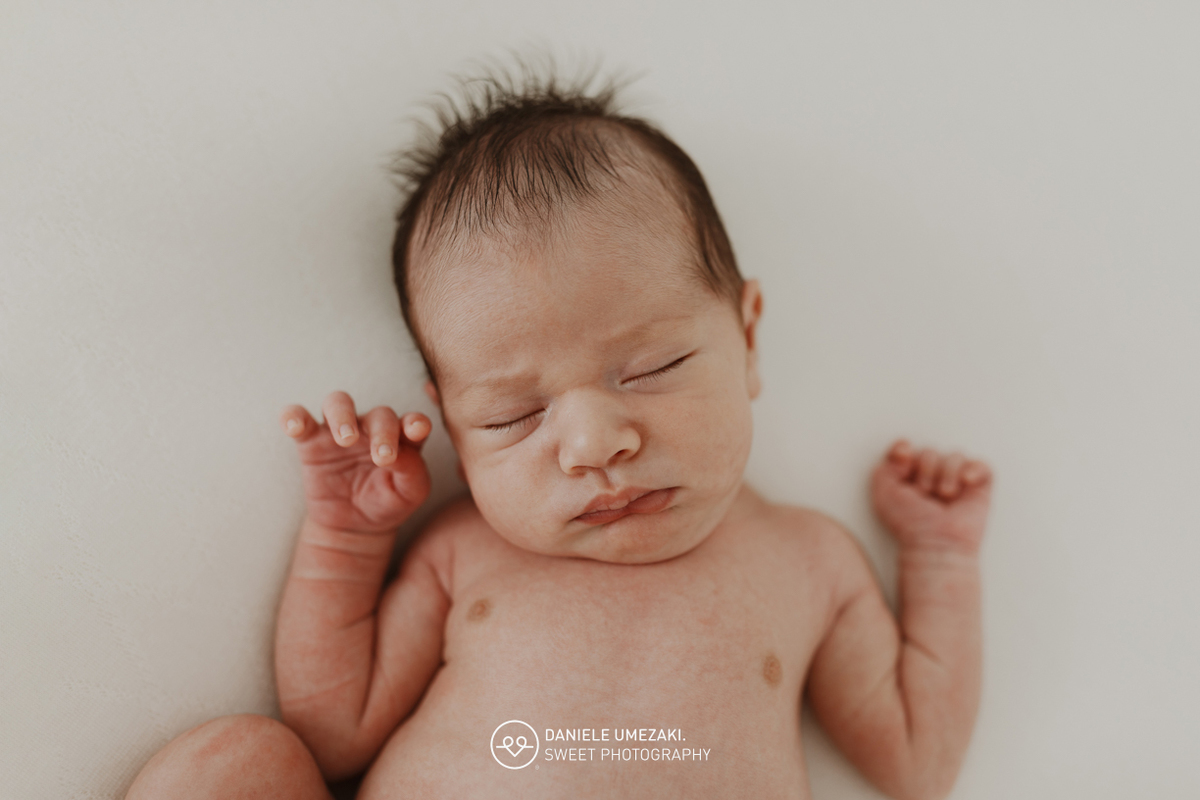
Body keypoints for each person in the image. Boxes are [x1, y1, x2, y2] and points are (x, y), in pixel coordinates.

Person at [126, 63, 993, 800]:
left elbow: (916, 761)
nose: (591, 447)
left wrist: (941, 561)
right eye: (512, 416)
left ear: (748, 336)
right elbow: (333, 732)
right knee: (236, 761)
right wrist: (348, 537)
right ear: (455, 425)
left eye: (650, 369)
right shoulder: (464, 548)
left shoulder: (812, 561)